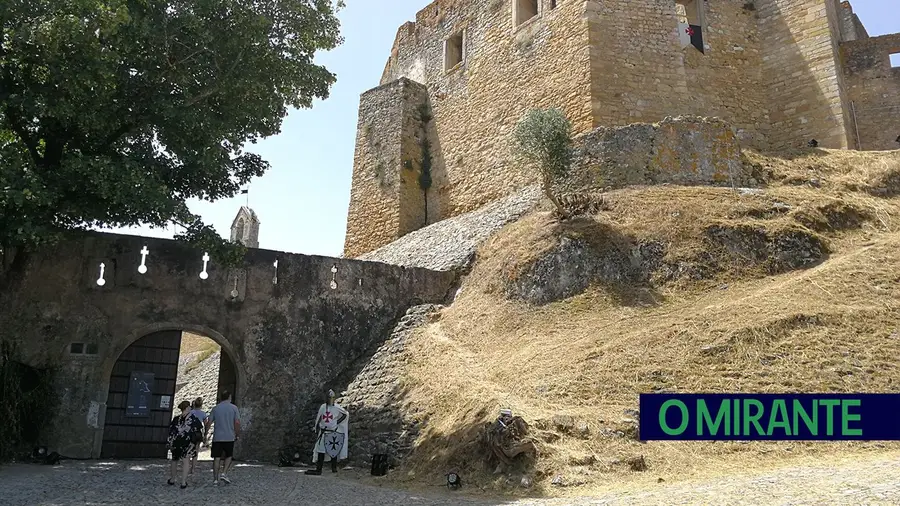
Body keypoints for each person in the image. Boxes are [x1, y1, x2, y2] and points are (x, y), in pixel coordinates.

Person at [305, 389, 349, 476]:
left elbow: (345, 414)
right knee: (321, 451)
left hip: (332, 432)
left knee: (333, 450)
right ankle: (319, 468)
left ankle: (334, 468)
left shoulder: (337, 407)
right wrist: (316, 427)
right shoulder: (323, 407)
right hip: (323, 431)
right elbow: (319, 417)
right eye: (329, 398)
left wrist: (337, 422)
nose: (330, 400)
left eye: (332, 398)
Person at [167, 400, 204, 489]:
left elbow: (171, 432)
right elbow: (199, 429)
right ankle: (183, 482)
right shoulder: (193, 419)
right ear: (188, 408)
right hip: (188, 443)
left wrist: (169, 442)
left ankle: (172, 479)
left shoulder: (176, 419)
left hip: (176, 442)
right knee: (186, 461)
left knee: (174, 460)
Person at [206, 390, 240, 485]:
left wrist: (205, 433)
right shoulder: (234, 408)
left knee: (216, 458)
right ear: (229, 397)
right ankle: (224, 473)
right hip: (229, 436)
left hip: (217, 437)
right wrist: (237, 434)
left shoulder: (216, 408)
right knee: (229, 456)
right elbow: (237, 422)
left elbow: (209, 422)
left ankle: (215, 479)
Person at [188, 397, 208, 476]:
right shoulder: (203, 413)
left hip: (189, 432)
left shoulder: (190, 412)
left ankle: (187, 466)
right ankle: (193, 468)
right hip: (198, 433)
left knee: (188, 450)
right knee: (196, 451)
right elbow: (206, 424)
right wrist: (205, 434)